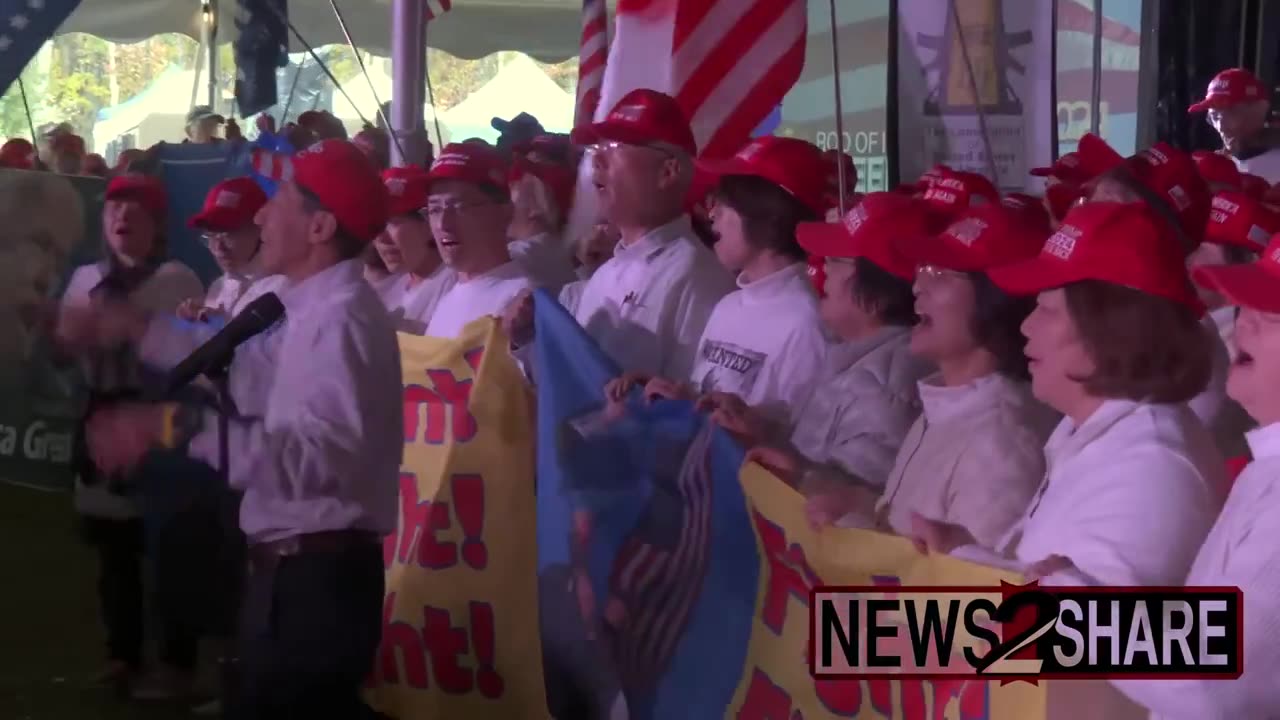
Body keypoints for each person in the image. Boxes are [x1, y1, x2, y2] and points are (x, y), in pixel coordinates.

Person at [61, 139, 401, 718]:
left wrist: (170, 427)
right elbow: (246, 371)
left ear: (319, 226)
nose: (262, 215)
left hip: (316, 582)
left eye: (281, 200)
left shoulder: (340, 320)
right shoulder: (311, 308)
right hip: (298, 576)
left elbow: (315, 462)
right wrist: (136, 328)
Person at [916, 202, 1225, 591]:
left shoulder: (1148, 470)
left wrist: (897, 646)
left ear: (1110, 330)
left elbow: (1090, 643)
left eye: (1046, 310)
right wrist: (961, 552)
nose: (1026, 327)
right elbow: (1041, 588)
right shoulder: (1098, 433)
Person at [797, 202, 1056, 550]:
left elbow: (966, 593)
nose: (918, 285)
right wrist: (851, 502)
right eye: (923, 269)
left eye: (942, 273)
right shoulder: (944, 403)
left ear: (997, 302)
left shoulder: (1000, 443)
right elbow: (906, 534)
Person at [1107, 240, 1280, 717]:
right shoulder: (1268, 462)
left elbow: (1210, 678)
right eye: (1248, 305)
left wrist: (1058, 618)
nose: (1243, 322)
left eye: (1274, 317)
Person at [58, 174, 204, 691]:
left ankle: (177, 661)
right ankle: (122, 653)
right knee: (113, 551)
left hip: (159, 429)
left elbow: (194, 360)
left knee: (168, 549)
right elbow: (61, 349)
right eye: (115, 208)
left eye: (136, 211)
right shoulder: (82, 279)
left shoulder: (178, 280)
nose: (123, 219)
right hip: (102, 425)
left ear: (157, 225)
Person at [607, 136, 831, 434]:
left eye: (726, 205)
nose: (712, 215)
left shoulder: (805, 324)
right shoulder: (728, 305)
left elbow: (793, 445)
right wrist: (664, 392)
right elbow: (704, 403)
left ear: (768, 216)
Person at [505, 89, 735, 378]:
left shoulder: (696, 277)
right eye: (596, 150)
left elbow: (689, 410)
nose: (597, 162)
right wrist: (526, 340)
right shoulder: (604, 275)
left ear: (668, 172)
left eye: (614, 146)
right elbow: (568, 385)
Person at [716, 192, 932, 491]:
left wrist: (791, 470)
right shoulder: (853, 353)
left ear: (877, 296)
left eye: (838, 259)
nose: (823, 267)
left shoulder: (886, 389)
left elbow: (854, 503)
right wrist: (758, 428)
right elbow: (814, 451)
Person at [424, 142, 535, 338]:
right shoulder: (447, 299)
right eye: (434, 209)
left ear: (505, 212)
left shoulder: (522, 302)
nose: (443, 224)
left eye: (460, 207)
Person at [184, 177, 287, 321]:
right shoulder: (219, 286)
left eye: (228, 233)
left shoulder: (282, 287)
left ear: (260, 227)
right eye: (211, 236)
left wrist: (219, 327)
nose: (219, 248)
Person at [372, 165, 457, 334]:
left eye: (393, 222)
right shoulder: (389, 289)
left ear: (428, 223)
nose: (381, 238)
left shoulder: (453, 286)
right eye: (376, 225)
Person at [1188, 67, 1280, 182]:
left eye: (1231, 114)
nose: (1221, 127)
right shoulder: (1216, 166)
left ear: (1259, 112)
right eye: (1214, 116)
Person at [507, 153, 578, 290]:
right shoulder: (556, 253)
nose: (504, 204)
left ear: (536, 208)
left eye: (515, 188)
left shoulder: (520, 257)